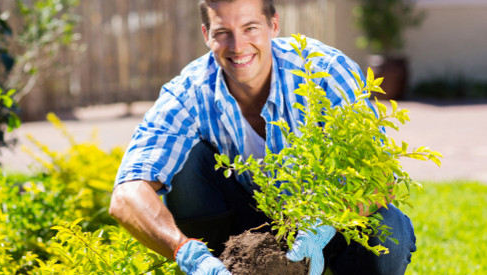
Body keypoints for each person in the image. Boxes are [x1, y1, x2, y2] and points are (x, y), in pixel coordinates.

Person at [108, 0, 417, 274]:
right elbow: (127, 194)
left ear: (274, 25)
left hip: (324, 222)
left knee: (392, 229)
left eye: (250, 27)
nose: (238, 46)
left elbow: (379, 176)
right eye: (222, 32)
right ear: (206, 36)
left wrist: (321, 226)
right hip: (238, 235)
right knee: (183, 163)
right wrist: (186, 252)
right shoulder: (190, 91)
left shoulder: (322, 71)